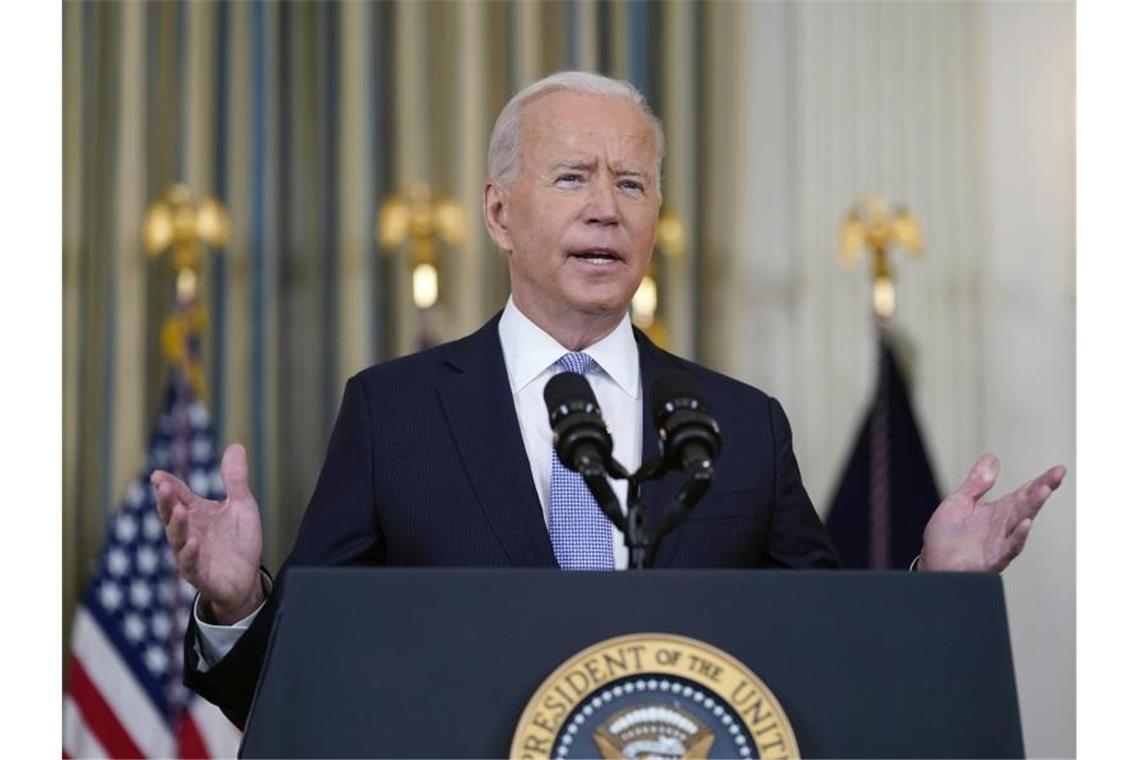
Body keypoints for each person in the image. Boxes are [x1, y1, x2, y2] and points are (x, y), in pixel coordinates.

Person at [151, 71, 1066, 728]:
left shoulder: (741, 426)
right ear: (500, 212)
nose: (607, 208)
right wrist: (237, 607)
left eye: (632, 184)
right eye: (573, 177)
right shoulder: (396, 415)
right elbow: (303, 695)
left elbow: (824, 663)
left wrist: (933, 593)